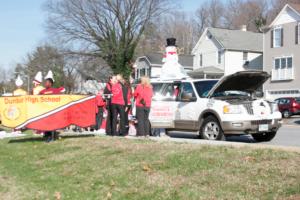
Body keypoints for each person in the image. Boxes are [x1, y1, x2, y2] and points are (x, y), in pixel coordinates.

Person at [39, 70, 65, 142]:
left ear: (51, 83)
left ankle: (52, 137)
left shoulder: (55, 91)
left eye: (47, 82)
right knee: (45, 124)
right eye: (45, 82)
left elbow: (61, 98)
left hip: (52, 111)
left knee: (51, 124)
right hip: (44, 111)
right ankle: (47, 135)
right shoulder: (42, 92)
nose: (45, 83)